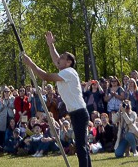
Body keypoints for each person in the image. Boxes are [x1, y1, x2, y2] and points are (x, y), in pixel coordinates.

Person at [22, 31, 91, 167]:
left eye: (62, 58)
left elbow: (46, 77)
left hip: (79, 113)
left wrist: (31, 63)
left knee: (81, 147)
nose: (59, 60)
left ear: (69, 62)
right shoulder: (64, 71)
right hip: (76, 113)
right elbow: (56, 60)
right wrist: (50, 45)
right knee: (81, 146)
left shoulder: (69, 72)